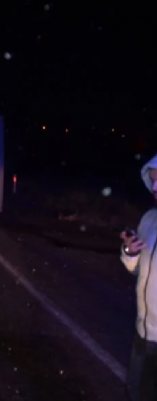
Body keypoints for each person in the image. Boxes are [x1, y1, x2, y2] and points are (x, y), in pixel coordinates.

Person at [120, 153, 157, 400]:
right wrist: (129, 252)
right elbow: (138, 272)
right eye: (152, 181)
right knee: (135, 394)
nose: (154, 188)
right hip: (142, 334)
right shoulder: (149, 219)